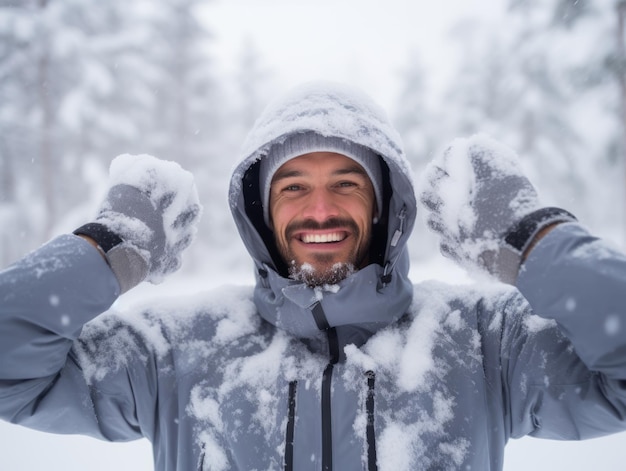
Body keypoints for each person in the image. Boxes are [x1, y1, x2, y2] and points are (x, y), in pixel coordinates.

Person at [1, 81, 625, 471]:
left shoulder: (485, 344)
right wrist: (109, 247)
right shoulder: (175, 353)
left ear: (385, 209)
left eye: (346, 184)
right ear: (260, 215)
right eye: (293, 187)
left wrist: (531, 236)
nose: (320, 210)